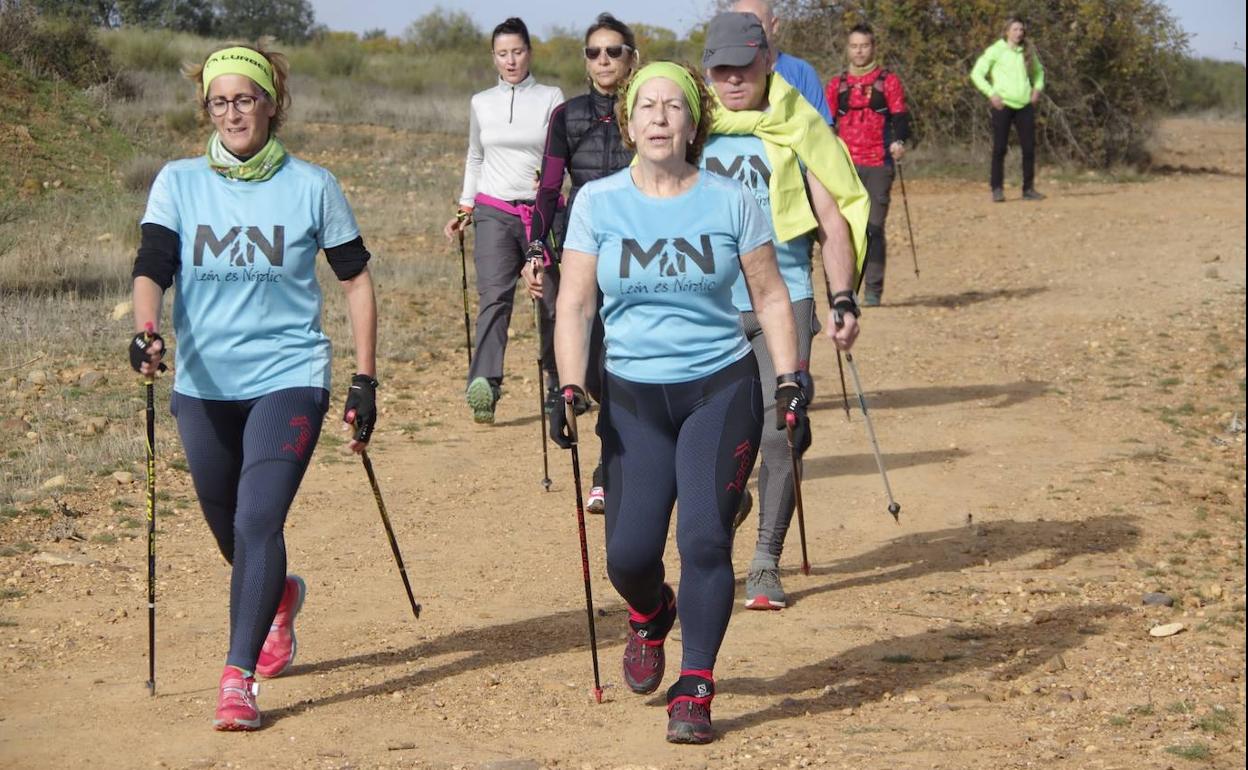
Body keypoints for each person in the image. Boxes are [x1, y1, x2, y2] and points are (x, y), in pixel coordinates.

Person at [550, 61, 807, 745]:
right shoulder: (598, 202)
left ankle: (695, 684)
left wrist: (789, 376)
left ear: (695, 122)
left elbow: (772, 295)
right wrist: (568, 383)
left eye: (674, 107)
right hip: (632, 399)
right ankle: (651, 612)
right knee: (628, 558)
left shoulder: (730, 200)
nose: (660, 117)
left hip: (717, 390)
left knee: (702, 538)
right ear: (628, 123)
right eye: (647, 107)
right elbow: (574, 304)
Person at [128, 41, 379, 731]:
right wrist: (147, 329)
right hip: (204, 384)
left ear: (272, 103)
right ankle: (279, 596)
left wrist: (364, 378)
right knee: (230, 531)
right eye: (219, 101)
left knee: (256, 518)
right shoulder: (179, 182)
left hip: (288, 377)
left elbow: (354, 280)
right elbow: (153, 265)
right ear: (205, 108)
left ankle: (236, 677)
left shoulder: (312, 185)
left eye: (245, 99)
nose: (233, 113)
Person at [701, 11, 869, 612]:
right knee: (717, 438)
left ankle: (765, 560)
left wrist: (842, 296)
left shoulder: (800, 127)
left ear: (767, 61)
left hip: (787, 295)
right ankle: (735, 499)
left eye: (744, 65)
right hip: (710, 305)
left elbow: (834, 219)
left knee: (779, 433)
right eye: (721, 68)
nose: (733, 78)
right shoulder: (694, 132)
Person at [521, 12, 638, 513]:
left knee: (623, 356)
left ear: (633, 58)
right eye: (594, 52)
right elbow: (548, 190)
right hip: (582, 247)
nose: (604, 60)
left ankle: (608, 467)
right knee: (589, 360)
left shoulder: (647, 109)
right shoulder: (566, 117)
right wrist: (535, 247)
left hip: (639, 248)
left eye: (614, 51)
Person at [444, 17, 564, 423]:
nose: (510, 60)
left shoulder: (551, 97)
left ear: (529, 52)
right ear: (493, 57)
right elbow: (475, 156)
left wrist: (548, 181)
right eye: (502, 53)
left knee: (549, 300)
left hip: (538, 212)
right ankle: (486, 385)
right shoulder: (481, 102)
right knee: (494, 298)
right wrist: (464, 207)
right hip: (493, 209)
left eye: (517, 51)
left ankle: (557, 384)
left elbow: (557, 154)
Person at [825, 22, 911, 307]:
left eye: (864, 45)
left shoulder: (888, 81)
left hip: (879, 163)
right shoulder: (837, 85)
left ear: (873, 47)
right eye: (854, 46)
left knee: (873, 228)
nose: (859, 51)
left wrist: (899, 141)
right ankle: (845, 290)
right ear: (848, 49)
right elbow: (825, 122)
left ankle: (873, 290)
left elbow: (900, 116)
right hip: (845, 166)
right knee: (844, 229)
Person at [970, 15, 1046, 202]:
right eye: (1015, 29)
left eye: (1021, 30)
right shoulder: (996, 50)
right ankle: (997, 189)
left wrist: (1037, 89)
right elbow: (977, 74)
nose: (1019, 33)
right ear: (1006, 31)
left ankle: (1028, 189)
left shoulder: (1027, 51)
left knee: (1028, 148)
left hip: (1024, 105)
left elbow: (1039, 72)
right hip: (1003, 104)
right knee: (1000, 148)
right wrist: (991, 93)